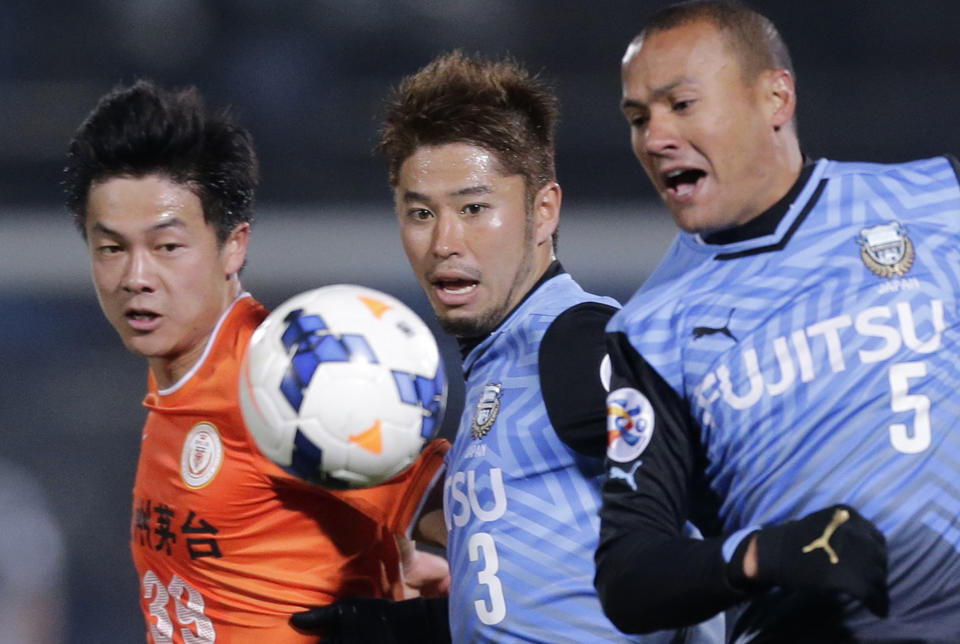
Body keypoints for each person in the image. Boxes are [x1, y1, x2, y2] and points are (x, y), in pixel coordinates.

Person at [292, 51, 723, 643]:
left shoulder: (578, 343)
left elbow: (727, 498)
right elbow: (545, 596)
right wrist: (404, 628)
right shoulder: (502, 367)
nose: (445, 240)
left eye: (474, 208)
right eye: (420, 212)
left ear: (543, 211)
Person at [594, 1, 960, 642]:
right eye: (637, 117)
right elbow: (630, 573)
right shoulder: (651, 329)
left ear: (774, 98)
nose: (654, 139)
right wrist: (760, 555)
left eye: (680, 105)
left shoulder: (937, 200)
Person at [63, 79, 450, 644]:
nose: (136, 278)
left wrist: (449, 616)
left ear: (233, 245)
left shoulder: (292, 378)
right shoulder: (179, 374)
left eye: (167, 247)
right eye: (112, 248)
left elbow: (492, 524)